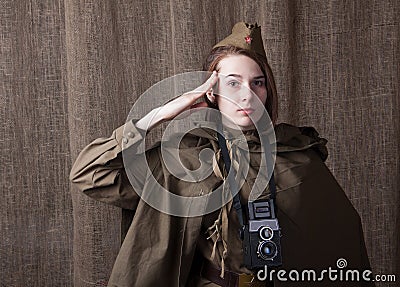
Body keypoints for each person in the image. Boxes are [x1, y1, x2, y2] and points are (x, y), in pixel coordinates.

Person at [70, 22, 374, 287]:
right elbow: (90, 174)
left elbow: (339, 238)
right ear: (211, 91)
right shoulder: (186, 156)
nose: (247, 94)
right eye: (233, 83)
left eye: (258, 83)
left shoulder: (297, 153)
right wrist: (159, 116)